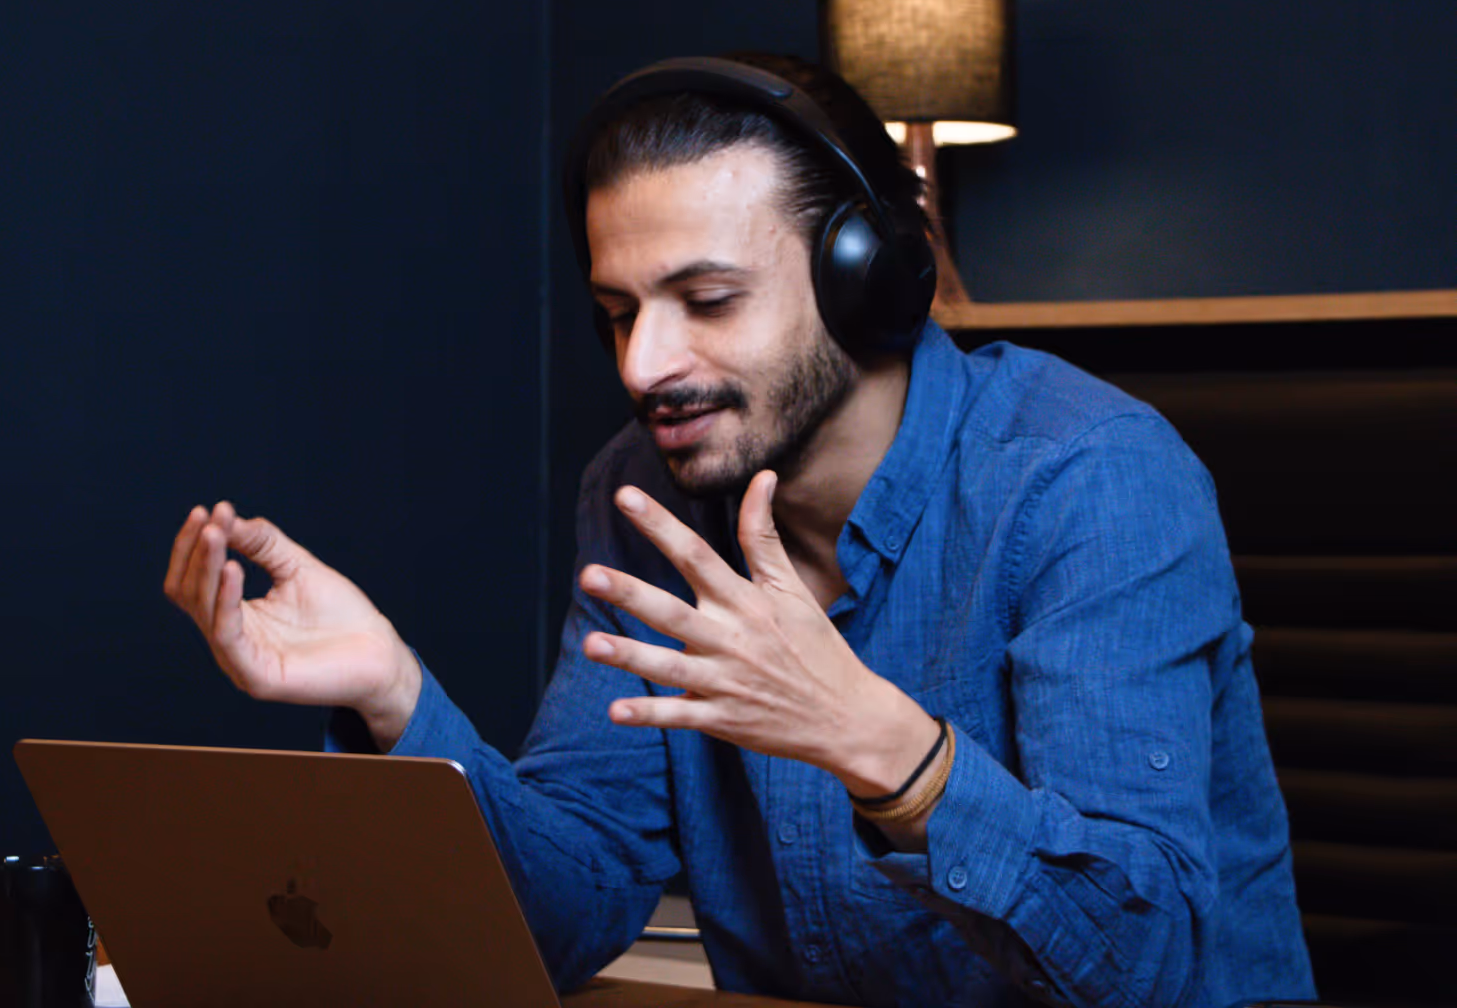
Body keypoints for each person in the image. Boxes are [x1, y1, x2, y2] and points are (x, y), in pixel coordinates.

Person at [164, 53, 1315, 1007]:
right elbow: (564, 914)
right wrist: (396, 697)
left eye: (705, 302)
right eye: (618, 313)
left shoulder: (1088, 476)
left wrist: (888, 753)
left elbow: (1148, 963)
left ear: (868, 279)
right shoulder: (643, 493)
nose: (642, 365)